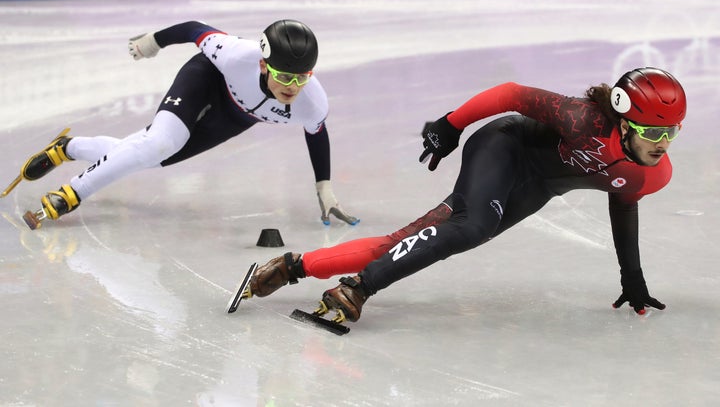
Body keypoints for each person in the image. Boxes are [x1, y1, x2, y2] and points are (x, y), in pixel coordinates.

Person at [240, 67, 686, 324]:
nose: (661, 142)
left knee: (419, 237)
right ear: (625, 122)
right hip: (504, 147)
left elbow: (624, 201)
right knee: (471, 227)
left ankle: (292, 267)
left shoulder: (655, 173)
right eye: (651, 130)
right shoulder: (582, 119)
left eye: (671, 131)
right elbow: (513, 94)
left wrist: (633, 278)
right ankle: (357, 288)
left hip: (538, 188)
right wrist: (451, 125)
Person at [11, 20, 358, 228]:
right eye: (284, 76)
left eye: (302, 78)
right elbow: (195, 29)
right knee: (159, 142)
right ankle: (70, 195)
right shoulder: (236, 54)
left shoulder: (313, 101)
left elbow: (317, 134)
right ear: (265, 65)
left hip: (234, 117)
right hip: (205, 79)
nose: (291, 87)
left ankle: (68, 148)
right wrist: (153, 42)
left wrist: (324, 187)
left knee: (149, 156)